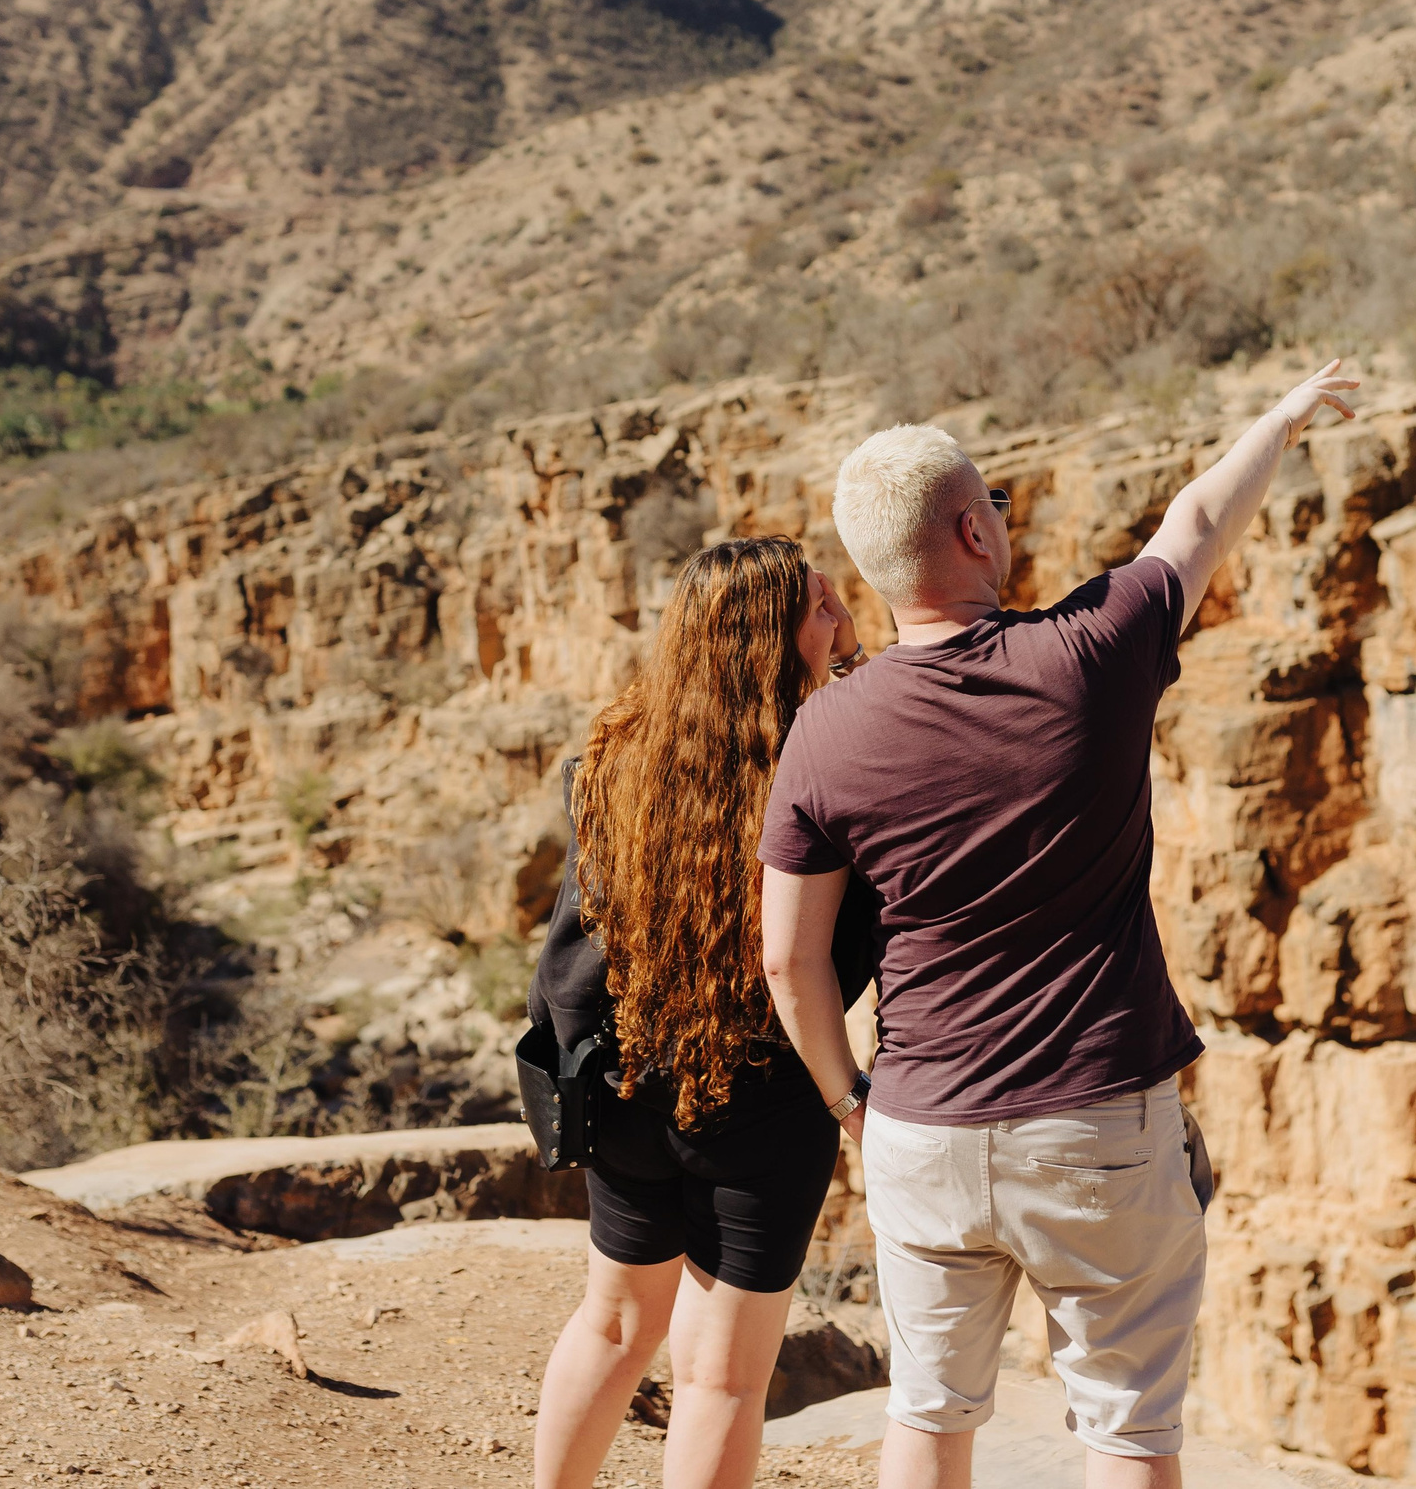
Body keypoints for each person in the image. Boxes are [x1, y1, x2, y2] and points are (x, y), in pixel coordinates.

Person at [757, 357, 1363, 1489]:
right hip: (1096, 1127)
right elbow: (1190, 524)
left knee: (928, 1415)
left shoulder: (824, 733)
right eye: (990, 500)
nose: (1001, 513)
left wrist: (852, 1103)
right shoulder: (1089, 654)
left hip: (923, 1126)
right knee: (1126, 1425)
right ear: (969, 534)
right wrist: (1279, 420)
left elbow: (790, 963)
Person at [529, 536, 881, 1489]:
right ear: (763, 638)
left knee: (612, 1323)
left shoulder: (614, 761)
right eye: (821, 609)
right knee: (721, 1379)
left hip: (631, 1084)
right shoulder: (822, 768)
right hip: (763, 1103)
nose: (844, 620)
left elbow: (575, 953)